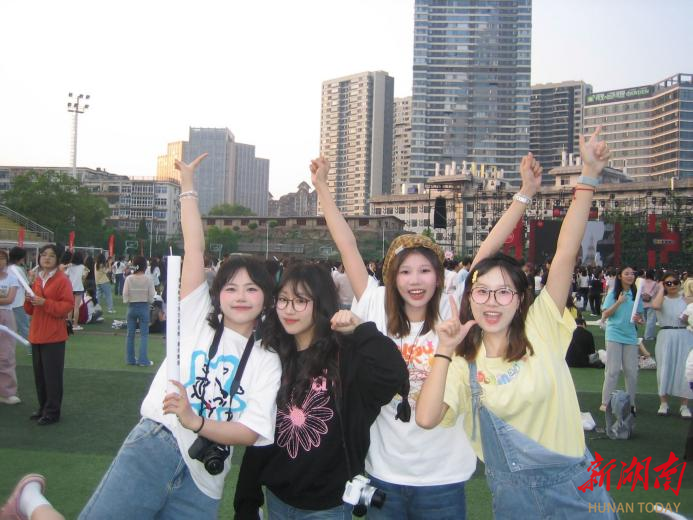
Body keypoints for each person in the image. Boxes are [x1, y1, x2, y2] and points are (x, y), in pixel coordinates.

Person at [311, 151, 542, 518]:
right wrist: (322, 186)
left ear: (438, 276)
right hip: (383, 471)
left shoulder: (453, 304)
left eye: (424, 271)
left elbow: (488, 250)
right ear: (392, 278)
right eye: (405, 272)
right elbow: (347, 245)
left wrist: (525, 192)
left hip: (443, 476)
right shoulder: (374, 304)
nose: (415, 281)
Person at [416, 127, 617, 518]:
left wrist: (589, 176)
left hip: (579, 489)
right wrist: (443, 351)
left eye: (504, 292)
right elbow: (425, 418)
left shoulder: (541, 327)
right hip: (514, 502)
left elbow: (565, 253)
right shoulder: (461, 363)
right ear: (469, 298)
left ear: (522, 298)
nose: (492, 302)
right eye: (482, 292)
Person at [234, 263, 407, 518]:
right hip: (277, 496)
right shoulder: (273, 355)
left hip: (327, 505)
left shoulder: (345, 356)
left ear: (321, 303)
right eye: (283, 300)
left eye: (300, 301)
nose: (289, 309)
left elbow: (395, 374)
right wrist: (247, 500)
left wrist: (361, 328)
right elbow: (260, 431)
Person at [24, 244, 74, 426]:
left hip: (54, 335)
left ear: (57, 259)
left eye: (51, 256)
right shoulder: (38, 279)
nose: (46, 258)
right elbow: (30, 310)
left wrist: (44, 302)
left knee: (52, 376)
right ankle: (43, 407)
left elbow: (67, 306)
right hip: (37, 333)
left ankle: (52, 411)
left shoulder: (62, 280)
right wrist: (28, 299)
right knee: (40, 375)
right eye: (44, 255)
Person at [600, 265, 644, 413]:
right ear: (620, 276)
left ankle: (631, 403)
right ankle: (605, 402)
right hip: (614, 334)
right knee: (612, 370)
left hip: (630, 336)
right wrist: (618, 302)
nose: (630, 276)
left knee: (631, 371)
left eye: (632, 273)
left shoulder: (636, 294)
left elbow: (640, 317)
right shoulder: (613, 293)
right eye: (627, 273)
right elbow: (605, 315)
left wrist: (639, 320)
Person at [651, 273, 693, 418]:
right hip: (666, 335)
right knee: (664, 368)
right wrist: (661, 289)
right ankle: (663, 403)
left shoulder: (687, 300)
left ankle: (684, 405)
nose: (672, 285)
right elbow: (655, 306)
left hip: (685, 335)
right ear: (663, 285)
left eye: (675, 282)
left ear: (680, 283)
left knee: (685, 370)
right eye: (668, 283)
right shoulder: (660, 299)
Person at [122, 256, 156, 366]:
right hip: (144, 307)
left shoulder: (129, 279)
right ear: (145, 266)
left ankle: (130, 359)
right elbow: (152, 296)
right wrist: (149, 301)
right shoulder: (148, 279)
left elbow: (125, 295)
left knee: (130, 335)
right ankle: (143, 360)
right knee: (144, 335)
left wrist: (129, 300)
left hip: (131, 307)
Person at [0, 250, 21, 406]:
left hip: (6, 316)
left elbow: (9, 300)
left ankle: (7, 392)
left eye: (2, 258)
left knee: (6, 355)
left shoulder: (12, 279)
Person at [8, 246, 32, 354]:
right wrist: (31, 276)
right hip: (18, 303)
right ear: (21, 258)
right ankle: (31, 349)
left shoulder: (6, 268)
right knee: (24, 327)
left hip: (7, 303)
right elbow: (26, 284)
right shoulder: (17, 269)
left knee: (9, 327)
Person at [65, 251, 88, 331]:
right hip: (79, 288)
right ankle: (75, 325)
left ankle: (69, 324)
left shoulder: (70, 267)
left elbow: (66, 276)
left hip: (70, 288)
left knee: (70, 307)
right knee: (76, 307)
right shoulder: (83, 267)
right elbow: (84, 277)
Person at [640, 269, 660, 341]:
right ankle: (648, 336)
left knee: (646, 320)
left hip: (642, 303)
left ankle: (647, 335)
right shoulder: (655, 283)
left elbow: (640, 292)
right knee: (651, 321)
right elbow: (656, 293)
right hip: (651, 303)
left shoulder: (642, 282)